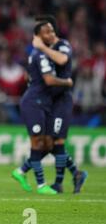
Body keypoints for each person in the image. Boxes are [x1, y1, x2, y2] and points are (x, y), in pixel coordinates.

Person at [12, 19, 74, 195]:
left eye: (52, 31)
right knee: (38, 143)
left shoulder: (43, 54)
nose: (51, 35)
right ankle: (41, 185)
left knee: (47, 144)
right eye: (46, 32)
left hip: (42, 103)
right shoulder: (41, 54)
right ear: (38, 37)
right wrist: (67, 82)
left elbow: (27, 75)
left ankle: (21, 171)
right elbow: (49, 80)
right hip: (34, 103)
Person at [27, 15, 87, 193]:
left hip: (62, 99)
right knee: (51, 142)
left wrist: (42, 48)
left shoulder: (62, 45)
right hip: (50, 100)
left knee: (57, 140)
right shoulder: (47, 49)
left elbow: (62, 61)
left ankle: (60, 182)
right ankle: (74, 174)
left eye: (47, 29)